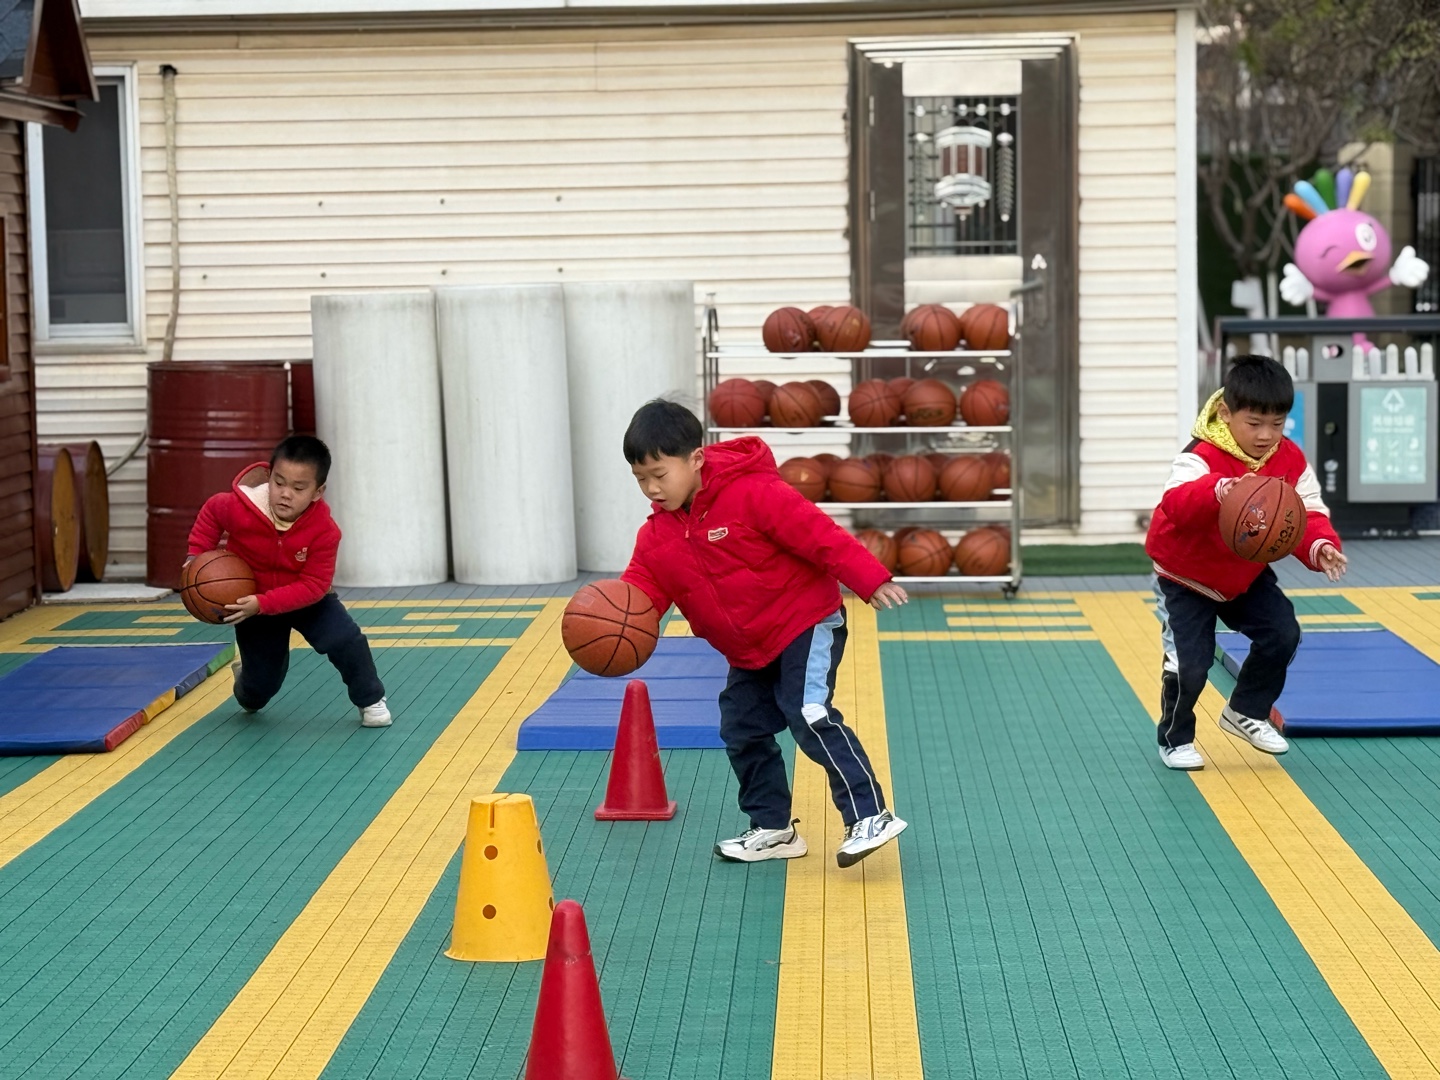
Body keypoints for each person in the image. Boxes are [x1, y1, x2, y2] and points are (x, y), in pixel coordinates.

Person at [620, 400, 909, 867]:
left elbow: (819, 534)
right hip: (750, 649)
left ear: (696, 459)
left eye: (659, 474)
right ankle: (774, 828)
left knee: (808, 712)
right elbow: (636, 598)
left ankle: (869, 815)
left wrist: (870, 578)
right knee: (741, 728)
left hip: (804, 621)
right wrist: (609, 623)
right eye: (640, 478)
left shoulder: (753, 493)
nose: (651, 488)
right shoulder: (656, 538)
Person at [1145, 355, 1345, 770]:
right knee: (1190, 664)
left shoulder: (1290, 459)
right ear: (1225, 412)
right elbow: (1174, 504)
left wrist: (1320, 545)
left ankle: (1246, 711)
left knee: (1283, 633)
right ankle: (1175, 739)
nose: (1266, 435)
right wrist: (1219, 490)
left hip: (1243, 573)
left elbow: (1306, 511)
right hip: (1186, 576)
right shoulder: (1200, 455)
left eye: (1277, 424)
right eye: (1254, 423)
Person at [186, 435, 390, 727]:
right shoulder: (240, 506)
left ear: (317, 492)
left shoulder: (325, 531)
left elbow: (314, 586)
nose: (285, 494)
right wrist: (196, 556)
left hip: (307, 600)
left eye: (298, 488)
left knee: (345, 639)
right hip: (252, 600)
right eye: (279, 483)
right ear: (269, 476)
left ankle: (370, 700)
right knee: (257, 693)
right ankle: (247, 684)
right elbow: (211, 512)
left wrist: (265, 603)